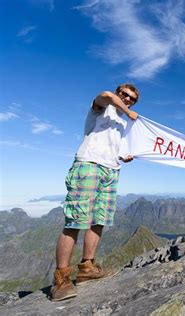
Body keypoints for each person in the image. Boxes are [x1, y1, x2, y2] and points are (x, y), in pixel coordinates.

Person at [50, 83, 140, 301]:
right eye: (125, 95)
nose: (127, 100)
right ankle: (61, 279)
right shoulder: (101, 108)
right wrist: (128, 112)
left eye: (132, 100)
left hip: (111, 170)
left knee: (99, 220)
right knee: (75, 221)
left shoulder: (121, 124)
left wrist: (122, 156)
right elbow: (106, 95)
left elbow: (111, 146)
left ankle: (87, 268)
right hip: (88, 165)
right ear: (119, 93)